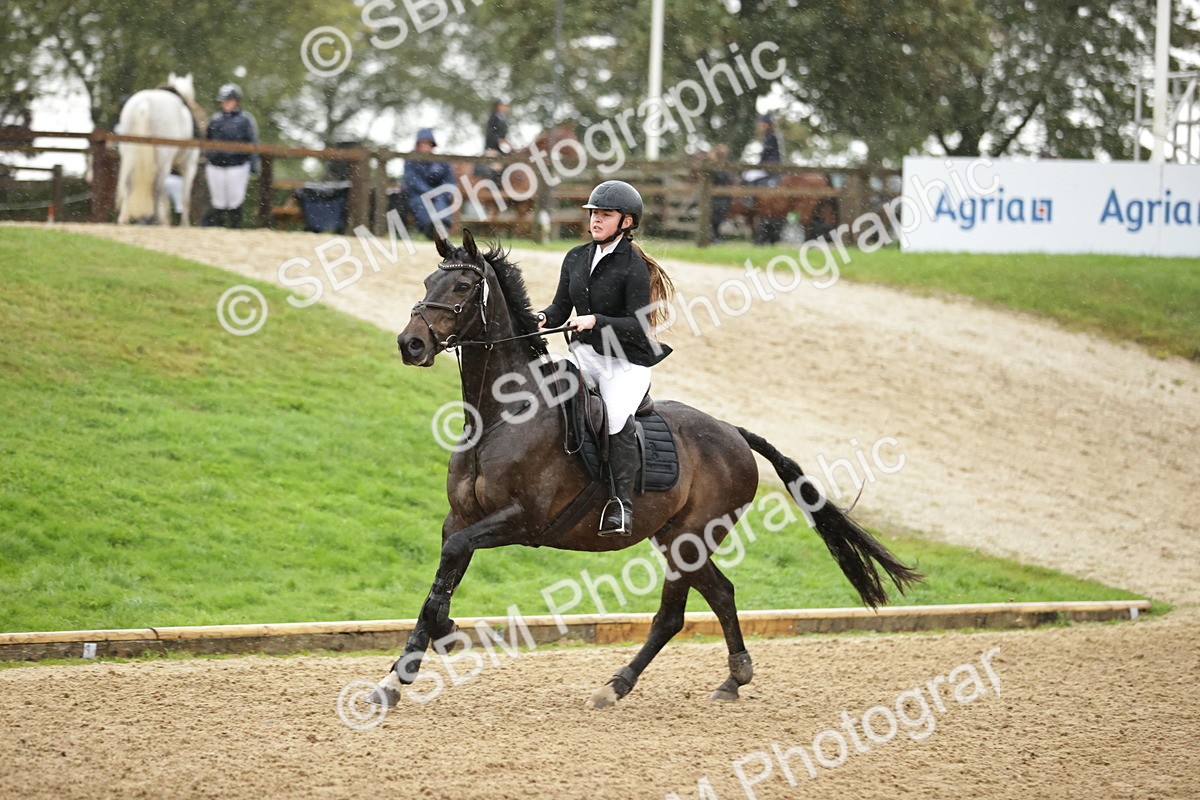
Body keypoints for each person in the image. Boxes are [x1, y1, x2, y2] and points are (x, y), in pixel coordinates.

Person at [537, 180, 676, 536]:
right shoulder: (576, 257)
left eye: (605, 214)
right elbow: (558, 308)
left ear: (626, 222)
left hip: (623, 363)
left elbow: (637, 323)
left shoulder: (633, 267)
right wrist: (541, 318)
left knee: (614, 419)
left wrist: (596, 320)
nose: (596, 220)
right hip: (585, 357)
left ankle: (620, 505)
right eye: (594, 213)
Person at [203, 83, 258, 228]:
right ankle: (218, 227)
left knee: (235, 199)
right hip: (216, 164)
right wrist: (210, 155)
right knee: (218, 200)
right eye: (224, 100)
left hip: (237, 164)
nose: (226, 103)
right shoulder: (215, 119)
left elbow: (252, 142)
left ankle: (235, 227)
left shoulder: (245, 120)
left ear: (236, 101)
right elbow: (208, 140)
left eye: (229, 100)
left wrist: (253, 164)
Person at [402, 127, 456, 239]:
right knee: (421, 202)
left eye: (428, 143)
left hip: (439, 194)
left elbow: (449, 180)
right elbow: (412, 180)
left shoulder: (441, 161)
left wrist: (443, 192)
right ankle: (430, 229)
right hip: (418, 194)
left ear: (432, 145)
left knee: (441, 199)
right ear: (417, 145)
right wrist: (428, 192)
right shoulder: (410, 160)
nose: (425, 146)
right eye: (423, 143)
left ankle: (442, 225)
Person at [741, 113, 782, 187]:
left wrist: (759, 165)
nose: (759, 126)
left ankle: (750, 197)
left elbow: (765, 154)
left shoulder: (770, 136)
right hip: (768, 166)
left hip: (769, 167)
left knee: (748, 176)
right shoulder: (769, 136)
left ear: (767, 124)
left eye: (761, 123)